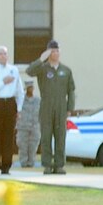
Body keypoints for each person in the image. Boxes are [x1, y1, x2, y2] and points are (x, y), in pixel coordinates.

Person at [26, 40, 76, 175]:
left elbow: (71, 90)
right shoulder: (42, 68)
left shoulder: (66, 70)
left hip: (61, 106)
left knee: (60, 136)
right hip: (46, 105)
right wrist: (41, 59)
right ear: (48, 52)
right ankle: (47, 165)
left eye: (57, 51)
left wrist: (69, 108)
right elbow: (29, 71)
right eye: (53, 51)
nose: (56, 53)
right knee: (46, 136)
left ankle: (59, 165)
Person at [0, 46, 24, 175]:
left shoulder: (13, 70)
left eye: (5, 54)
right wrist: (3, 82)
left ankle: (7, 166)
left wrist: (19, 108)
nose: (3, 56)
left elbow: (19, 90)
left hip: (10, 103)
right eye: (0, 54)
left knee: (9, 135)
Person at [17, 80, 41, 169]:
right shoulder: (21, 100)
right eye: (28, 88)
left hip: (35, 126)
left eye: (31, 88)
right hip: (23, 126)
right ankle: (23, 163)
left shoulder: (38, 100)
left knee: (33, 146)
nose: (30, 89)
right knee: (23, 146)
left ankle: (31, 163)